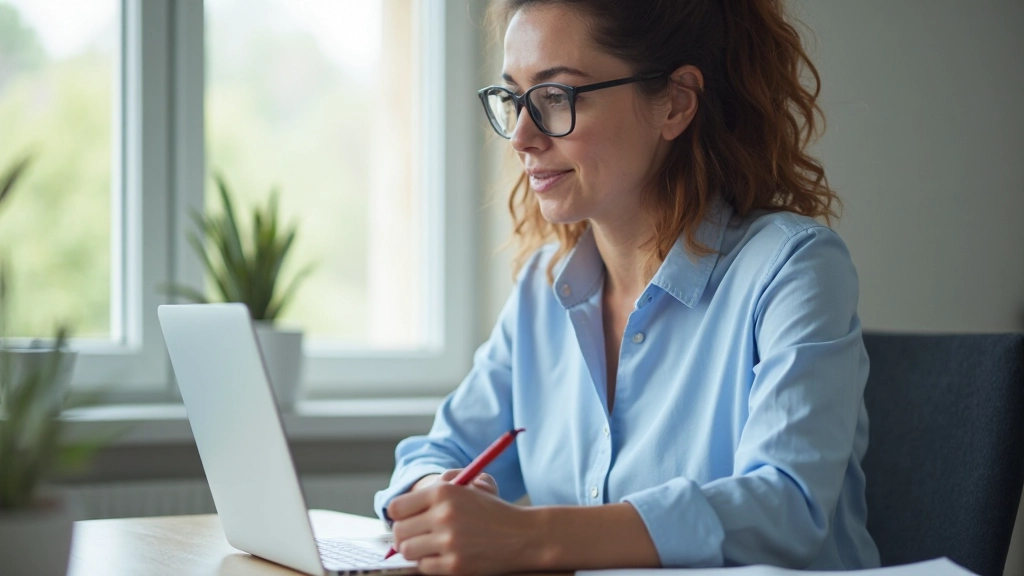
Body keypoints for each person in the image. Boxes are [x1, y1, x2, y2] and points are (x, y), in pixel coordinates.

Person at [374, 0, 881, 573]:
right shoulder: (543, 290)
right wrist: (433, 497)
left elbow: (785, 510)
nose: (520, 136)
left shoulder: (792, 269)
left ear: (676, 102)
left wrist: (528, 536)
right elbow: (440, 452)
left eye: (555, 97)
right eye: (513, 99)